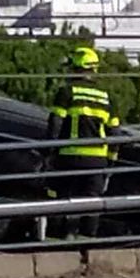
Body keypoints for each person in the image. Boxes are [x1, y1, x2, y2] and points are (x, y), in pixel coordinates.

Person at [45, 47, 118, 239]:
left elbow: (55, 123)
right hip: (97, 161)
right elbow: (115, 132)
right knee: (92, 203)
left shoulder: (66, 92)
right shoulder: (105, 96)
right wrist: (111, 160)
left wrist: (49, 152)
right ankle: (88, 242)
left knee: (60, 197)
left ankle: (58, 237)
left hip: (69, 157)